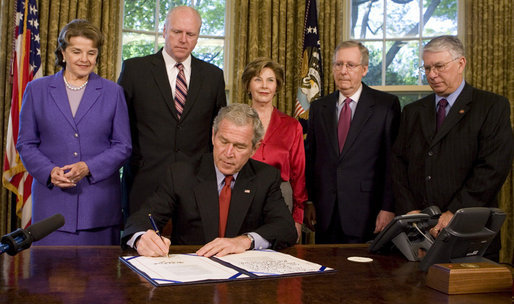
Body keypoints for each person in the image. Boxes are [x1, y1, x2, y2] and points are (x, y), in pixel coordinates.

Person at [392, 36, 513, 260]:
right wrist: (410, 211)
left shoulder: (491, 107)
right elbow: (398, 164)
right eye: (427, 68)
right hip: (418, 233)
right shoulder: (413, 112)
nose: (432, 74)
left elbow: (493, 169)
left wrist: (454, 212)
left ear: (461, 63)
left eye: (439, 66)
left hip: (469, 231)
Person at [122, 103, 297, 257]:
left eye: (239, 146)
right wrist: (141, 239)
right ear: (213, 136)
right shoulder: (181, 174)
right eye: (223, 141)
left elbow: (285, 228)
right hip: (191, 276)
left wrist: (245, 241)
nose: (228, 153)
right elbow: (141, 218)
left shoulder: (265, 177)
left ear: (254, 148)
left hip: (243, 282)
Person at [16, 19, 132, 245]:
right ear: (62, 52)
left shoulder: (112, 92)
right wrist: (49, 171)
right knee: (49, 279)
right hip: (52, 210)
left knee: (100, 279)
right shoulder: (37, 90)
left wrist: (89, 167)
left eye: (91, 52)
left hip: (98, 209)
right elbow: (26, 144)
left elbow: (123, 146)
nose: (84, 59)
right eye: (77, 51)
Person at [118, 6, 226, 216]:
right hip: (144, 183)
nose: (183, 39)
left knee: (193, 249)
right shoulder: (134, 70)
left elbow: (218, 130)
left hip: (196, 185)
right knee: (140, 248)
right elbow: (120, 127)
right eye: (177, 32)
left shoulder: (213, 76)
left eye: (190, 34)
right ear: (165, 30)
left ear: (197, 36)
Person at [305, 41, 401, 244]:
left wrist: (388, 207)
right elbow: (312, 158)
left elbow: (392, 164)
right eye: (338, 64)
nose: (343, 71)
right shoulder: (319, 107)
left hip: (367, 211)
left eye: (351, 65)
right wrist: (310, 200)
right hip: (326, 211)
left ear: (364, 69)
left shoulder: (386, 106)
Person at [241, 58, 307, 240]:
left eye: (270, 80)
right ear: (248, 85)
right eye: (257, 79)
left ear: (277, 86)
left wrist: (297, 219)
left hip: (280, 198)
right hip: (240, 197)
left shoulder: (292, 126)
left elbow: (298, 175)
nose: (264, 86)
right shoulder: (235, 122)